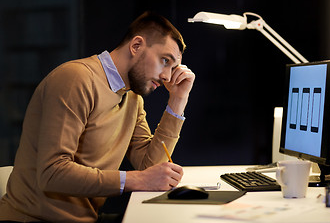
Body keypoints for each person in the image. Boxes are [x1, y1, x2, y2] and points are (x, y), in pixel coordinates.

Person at [0, 11, 195, 223]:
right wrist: (135, 179)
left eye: (173, 67)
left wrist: (177, 100)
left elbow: (149, 169)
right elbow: (52, 173)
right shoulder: (76, 79)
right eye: (164, 61)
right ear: (136, 46)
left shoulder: (131, 98)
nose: (167, 76)